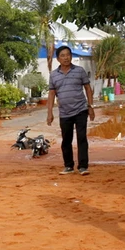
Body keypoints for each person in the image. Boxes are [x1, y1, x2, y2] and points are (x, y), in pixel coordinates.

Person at [46, 45, 96, 175]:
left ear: (71, 56)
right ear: (58, 59)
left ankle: (83, 166)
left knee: (81, 138)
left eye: (68, 55)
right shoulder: (53, 75)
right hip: (64, 113)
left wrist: (90, 107)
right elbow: (51, 94)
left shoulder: (79, 71)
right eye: (62, 55)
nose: (66, 58)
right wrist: (49, 113)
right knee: (66, 140)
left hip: (81, 110)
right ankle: (68, 166)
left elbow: (88, 89)